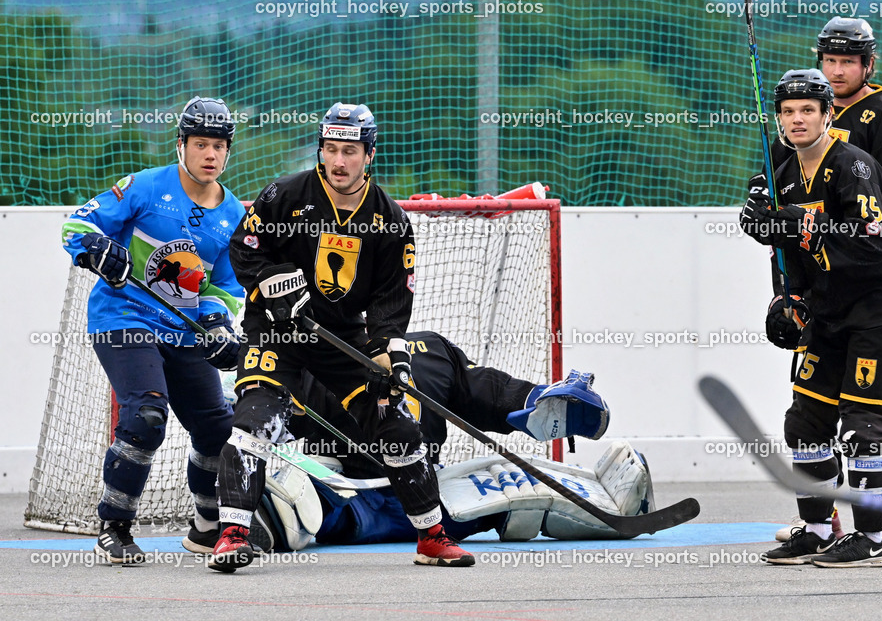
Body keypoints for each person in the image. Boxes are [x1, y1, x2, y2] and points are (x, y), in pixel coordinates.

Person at [210, 103, 473, 571]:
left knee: (397, 426)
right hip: (277, 333)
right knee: (255, 423)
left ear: (369, 154)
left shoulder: (390, 220)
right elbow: (243, 249)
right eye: (330, 149)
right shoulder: (286, 195)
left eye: (349, 151)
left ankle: (432, 537)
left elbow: (392, 304)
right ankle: (232, 535)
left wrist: (394, 358)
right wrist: (271, 283)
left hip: (340, 339)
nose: (338, 161)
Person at [756, 17, 882, 541]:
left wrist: (875, 273)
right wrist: (787, 290)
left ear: (867, 64)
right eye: (828, 61)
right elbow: (787, 221)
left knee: (879, 413)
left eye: (847, 62)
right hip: (823, 283)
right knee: (813, 414)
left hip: (872, 277)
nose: (835, 71)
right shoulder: (799, 117)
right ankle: (823, 516)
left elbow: (881, 211)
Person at [61, 97, 245, 564]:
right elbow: (76, 225)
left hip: (181, 332)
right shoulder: (145, 186)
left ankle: (207, 525)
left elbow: (225, 284)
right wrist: (97, 250)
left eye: (219, 146)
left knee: (218, 428)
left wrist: (217, 320)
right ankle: (114, 526)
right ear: (181, 144)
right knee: (146, 416)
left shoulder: (233, 216)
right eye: (201, 143)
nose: (210, 154)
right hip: (124, 318)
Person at [239, 330, 625, 551]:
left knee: (515, 482)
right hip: (370, 496)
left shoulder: (429, 351)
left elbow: (484, 390)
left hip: (421, 495)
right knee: (307, 495)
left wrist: (535, 401)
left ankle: (612, 503)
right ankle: (269, 511)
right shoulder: (427, 349)